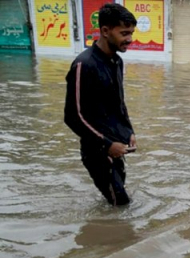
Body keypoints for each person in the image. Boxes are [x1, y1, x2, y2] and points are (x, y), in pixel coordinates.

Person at [64, 4, 137, 206]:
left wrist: (128, 131)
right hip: (97, 151)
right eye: (124, 33)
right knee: (121, 204)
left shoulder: (117, 62)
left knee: (115, 202)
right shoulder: (84, 65)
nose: (129, 39)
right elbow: (72, 116)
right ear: (105, 31)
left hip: (117, 147)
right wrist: (107, 145)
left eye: (131, 33)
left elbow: (118, 104)